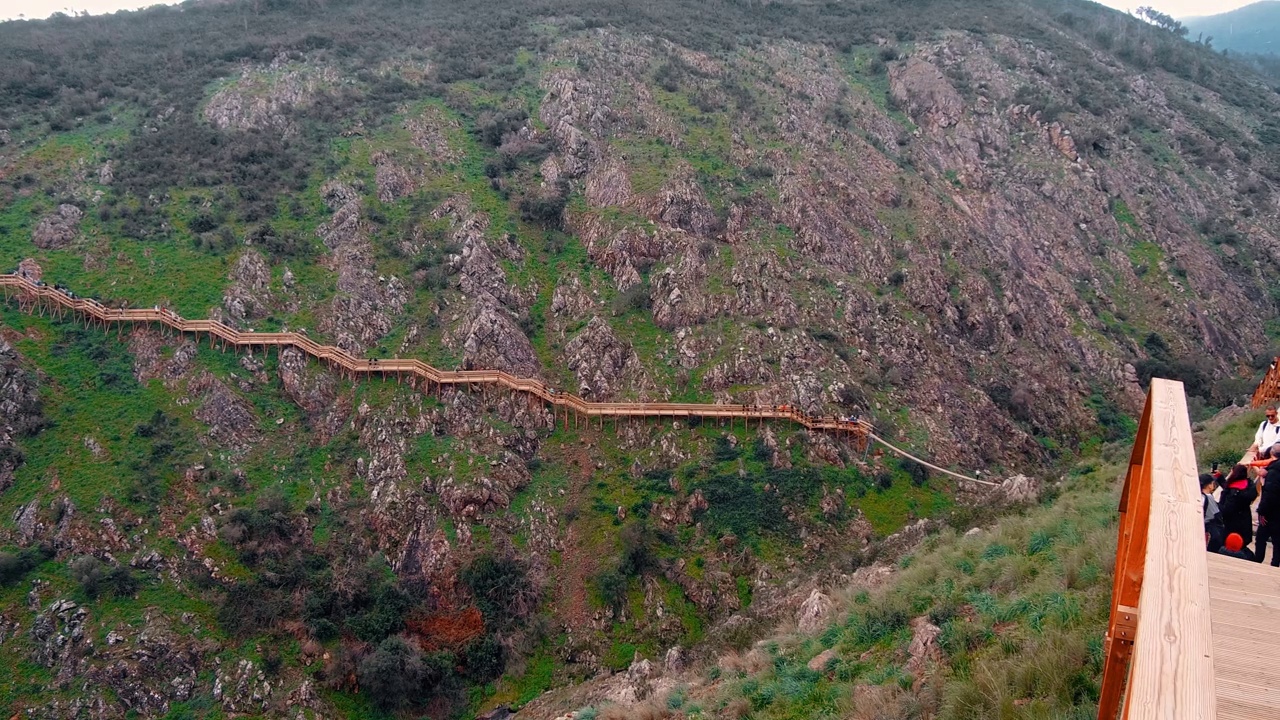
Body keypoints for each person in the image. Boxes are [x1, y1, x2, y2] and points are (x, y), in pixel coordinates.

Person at [1218, 464, 1257, 549]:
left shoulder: (1232, 490)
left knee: (1228, 543)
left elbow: (1227, 507)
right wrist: (1219, 477)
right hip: (1244, 519)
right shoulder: (1249, 485)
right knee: (1241, 543)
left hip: (1231, 521)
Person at [1255, 458, 1280, 566]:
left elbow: (1269, 494)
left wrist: (1262, 512)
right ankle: (1275, 564)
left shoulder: (1273, 472)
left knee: (1261, 538)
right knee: (1278, 541)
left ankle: (1257, 561)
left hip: (1270, 514)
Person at [1202, 473, 1225, 552]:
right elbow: (1216, 514)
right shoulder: (1208, 498)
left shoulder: (1200, 496)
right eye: (1212, 483)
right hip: (1207, 529)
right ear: (1209, 485)